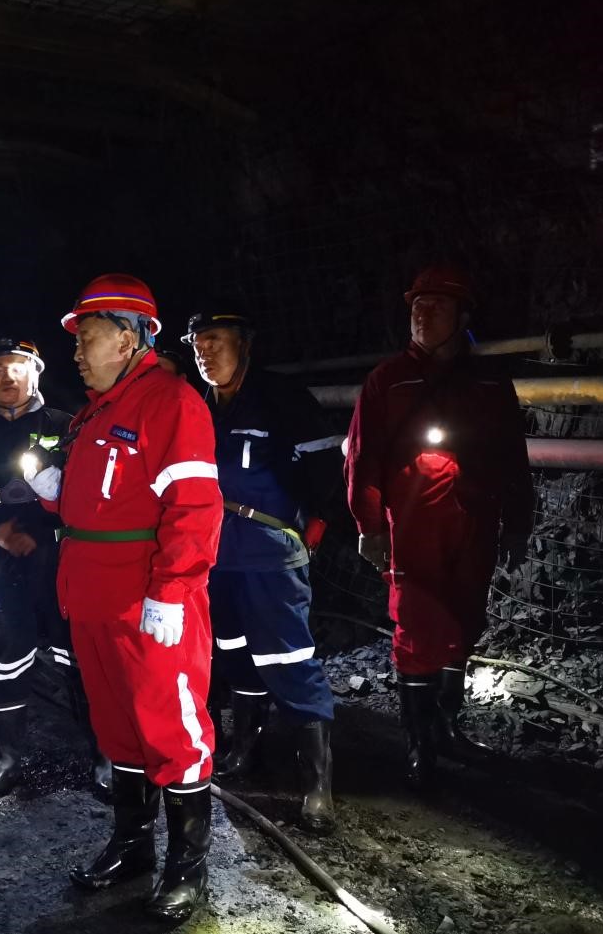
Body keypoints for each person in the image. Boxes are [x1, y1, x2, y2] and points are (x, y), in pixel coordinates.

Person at [24, 274, 221, 922]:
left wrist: (173, 589)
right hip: (92, 596)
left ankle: (187, 865)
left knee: (172, 729)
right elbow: (104, 498)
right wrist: (54, 491)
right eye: (77, 339)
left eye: (88, 336)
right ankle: (133, 847)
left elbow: (194, 507)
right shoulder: (94, 413)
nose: (77, 351)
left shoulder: (170, 402)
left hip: (147, 599)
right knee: (117, 727)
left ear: (129, 338)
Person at [344, 266, 533, 788]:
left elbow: (511, 455)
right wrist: (369, 524)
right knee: (418, 625)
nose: (423, 314)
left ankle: (448, 727)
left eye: (437, 306)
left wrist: (518, 522)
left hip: (474, 520)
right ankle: (419, 743)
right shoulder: (388, 381)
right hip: (412, 524)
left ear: (463, 316)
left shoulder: (488, 382)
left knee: (464, 619)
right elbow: (363, 457)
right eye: (417, 306)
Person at [183, 310, 340, 833]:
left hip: (269, 551)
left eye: (216, 340)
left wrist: (318, 520)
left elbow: (324, 466)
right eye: (198, 344)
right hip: (213, 554)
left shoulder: (282, 398)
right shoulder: (196, 404)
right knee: (231, 652)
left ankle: (316, 783)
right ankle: (244, 750)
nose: (205, 352)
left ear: (244, 343)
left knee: (288, 657)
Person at [0, 336, 109, 800]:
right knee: (6, 665)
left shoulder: (68, 425)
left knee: (82, 663)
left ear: (36, 373)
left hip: (65, 571)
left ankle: (104, 757)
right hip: (2, 573)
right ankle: (8, 759)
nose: (6, 377)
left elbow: (94, 495)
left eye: (17, 367)